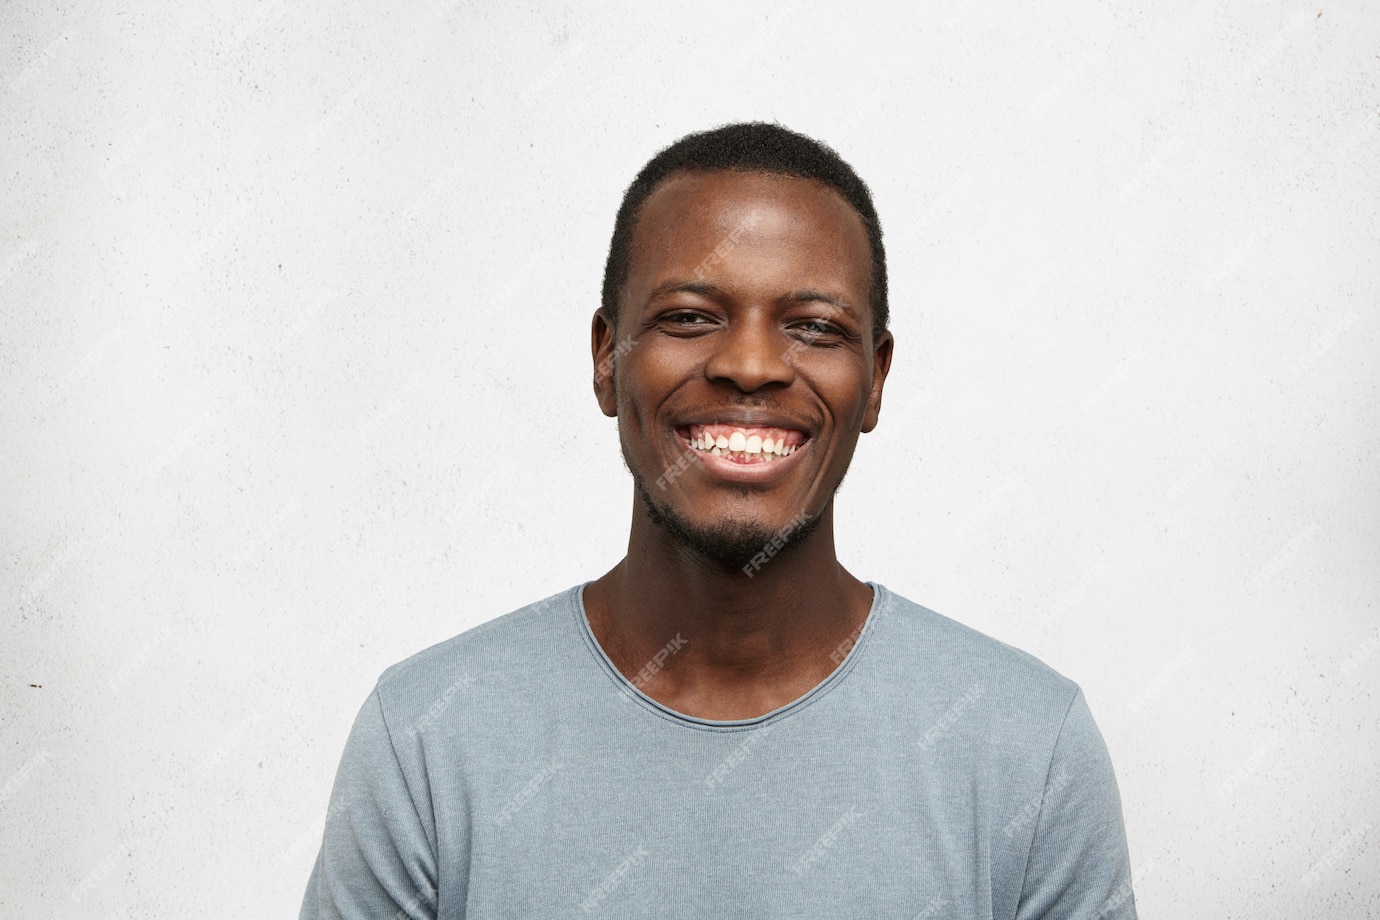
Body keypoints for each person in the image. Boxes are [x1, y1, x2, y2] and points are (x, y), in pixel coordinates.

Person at [300, 122, 1138, 919]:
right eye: (690, 316)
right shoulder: (427, 740)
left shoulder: (1030, 748)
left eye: (814, 327)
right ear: (606, 358)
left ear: (875, 379)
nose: (748, 365)